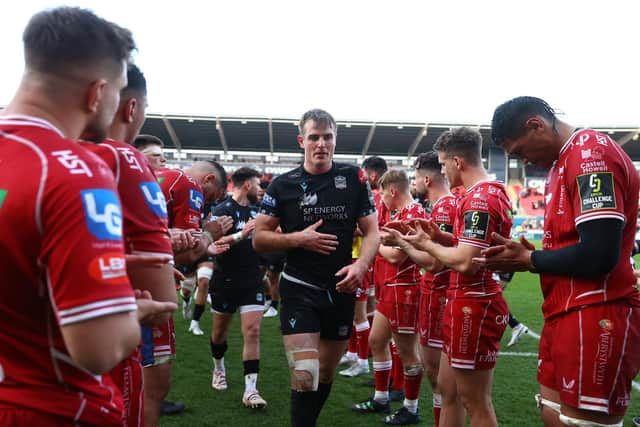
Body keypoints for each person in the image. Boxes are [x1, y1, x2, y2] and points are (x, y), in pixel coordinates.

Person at [0, 7, 175, 426]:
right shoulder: (74, 170)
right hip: (54, 407)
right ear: (97, 92)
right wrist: (131, 312)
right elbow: (98, 347)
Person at [474, 96, 640, 427]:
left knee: (583, 422)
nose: (526, 162)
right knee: (552, 413)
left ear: (536, 125)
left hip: (596, 310)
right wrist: (524, 254)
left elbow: (600, 253)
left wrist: (530, 259)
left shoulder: (592, 154)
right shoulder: (560, 164)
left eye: (521, 151)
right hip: (562, 311)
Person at [254, 108, 380, 427]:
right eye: (314, 137)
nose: (321, 144)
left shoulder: (353, 178)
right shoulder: (283, 185)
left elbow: (373, 231)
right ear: (302, 141)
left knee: (324, 372)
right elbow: (259, 238)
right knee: (305, 372)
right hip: (300, 288)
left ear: (335, 140)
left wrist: (361, 266)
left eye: (327, 137)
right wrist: (299, 239)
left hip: (340, 289)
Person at [81, 63, 179, 426]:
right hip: (102, 353)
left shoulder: (25, 151)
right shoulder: (125, 160)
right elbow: (161, 300)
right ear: (132, 108)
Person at [400, 128, 512, 427]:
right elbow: (468, 247)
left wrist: (426, 244)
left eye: (444, 163)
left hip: (474, 304)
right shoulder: (480, 194)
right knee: (448, 391)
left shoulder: (480, 199)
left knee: (475, 402)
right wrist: (441, 236)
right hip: (463, 300)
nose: (444, 170)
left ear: (457, 161)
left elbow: (466, 263)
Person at [351, 169, 426, 425]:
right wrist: (382, 240)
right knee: (376, 340)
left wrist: (375, 242)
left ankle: (411, 408)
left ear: (393, 191)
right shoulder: (401, 213)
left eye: (383, 193)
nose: (381, 198)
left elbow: (397, 256)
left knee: (408, 353)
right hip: (392, 289)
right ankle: (381, 397)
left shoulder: (414, 214)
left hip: (405, 289)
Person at [208, 167, 270, 409]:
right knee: (219, 333)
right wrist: (241, 235)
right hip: (225, 280)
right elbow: (212, 242)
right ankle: (218, 368)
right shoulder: (221, 211)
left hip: (251, 279)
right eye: (257, 184)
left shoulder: (259, 211)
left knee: (252, 332)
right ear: (246, 185)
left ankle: (251, 390)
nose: (260, 189)